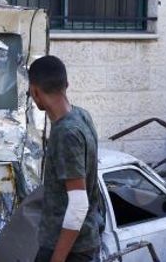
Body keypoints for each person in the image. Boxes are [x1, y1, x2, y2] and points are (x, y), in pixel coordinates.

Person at [29, 56, 104, 262]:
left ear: (35, 92)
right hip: (81, 243)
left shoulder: (66, 133)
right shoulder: (82, 115)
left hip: (69, 250)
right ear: (66, 85)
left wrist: (58, 258)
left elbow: (78, 204)